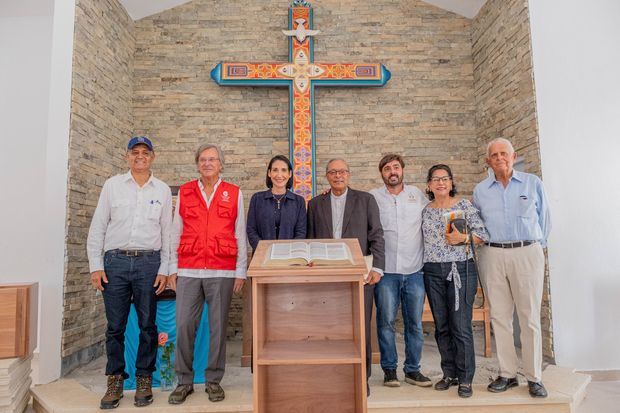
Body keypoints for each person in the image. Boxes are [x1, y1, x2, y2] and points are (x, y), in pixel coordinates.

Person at [87, 136, 172, 409]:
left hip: (149, 263)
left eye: (145, 152)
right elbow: (98, 227)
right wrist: (95, 266)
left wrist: (165, 269)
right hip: (116, 263)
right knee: (115, 327)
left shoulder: (161, 190)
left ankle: (144, 378)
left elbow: (168, 234)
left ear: (152, 157)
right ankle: (114, 380)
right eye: (134, 152)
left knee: (148, 325)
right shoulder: (112, 186)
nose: (139, 156)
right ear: (127, 157)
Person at [167, 143, 247, 404]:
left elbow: (239, 232)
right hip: (188, 269)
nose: (208, 163)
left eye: (212, 159)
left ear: (221, 164)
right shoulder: (186, 192)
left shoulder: (234, 193)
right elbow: (174, 231)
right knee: (184, 326)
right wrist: (171, 268)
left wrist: (240, 272)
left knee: (217, 328)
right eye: (203, 159)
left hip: (222, 270)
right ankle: (184, 381)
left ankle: (213, 380)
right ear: (197, 164)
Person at [473, 138, 551, 398]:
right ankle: (507, 374)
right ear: (488, 161)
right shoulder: (480, 190)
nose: (499, 158)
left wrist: (536, 248)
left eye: (503, 153)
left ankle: (534, 377)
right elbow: (478, 225)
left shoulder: (532, 183)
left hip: (527, 251)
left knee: (528, 319)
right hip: (493, 254)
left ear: (513, 156)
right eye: (493, 155)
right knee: (499, 317)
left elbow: (545, 220)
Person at [307, 158, 384, 396]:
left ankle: (362, 378)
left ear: (348, 174)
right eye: (333, 172)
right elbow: (310, 239)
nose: (338, 176)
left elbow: (377, 235)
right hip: (327, 278)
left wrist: (378, 269)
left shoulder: (366, 200)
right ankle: (331, 375)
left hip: (359, 275)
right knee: (328, 328)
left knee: (360, 328)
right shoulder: (315, 204)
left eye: (342, 172)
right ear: (327, 176)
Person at [421, 164, 489, 398]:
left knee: (460, 325)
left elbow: (483, 235)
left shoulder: (464, 206)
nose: (440, 183)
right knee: (441, 326)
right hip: (431, 271)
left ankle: (466, 378)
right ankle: (448, 373)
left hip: (461, 269)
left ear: (451, 183)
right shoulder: (425, 210)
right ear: (429, 185)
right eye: (435, 179)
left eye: (445, 179)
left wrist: (466, 237)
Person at [369, 154, 432, 389]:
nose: (392, 171)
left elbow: (435, 212)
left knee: (414, 323)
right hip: (385, 272)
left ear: (402, 170)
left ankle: (413, 370)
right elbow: (353, 204)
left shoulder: (417, 195)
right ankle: (390, 371)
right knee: (385, 322)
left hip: (415, 271)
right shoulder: (373, 197)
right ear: (382, 174)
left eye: (396, 167)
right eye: (387, 168)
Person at [246, 155, 306, 251]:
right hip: (262, 257)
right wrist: (265, 250)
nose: (279, 175)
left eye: (283, 170)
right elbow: (251, 230)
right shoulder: (257, 199)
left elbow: (301, 233)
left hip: (290, 258)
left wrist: (288, 252)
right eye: (275, 170)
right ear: (269, 173)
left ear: (290, 174)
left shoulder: (299, 201)